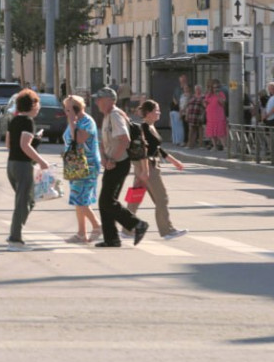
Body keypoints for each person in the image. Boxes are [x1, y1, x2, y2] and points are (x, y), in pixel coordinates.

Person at [93, 88, 149, 248]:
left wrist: (112, 159)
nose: (97, 102)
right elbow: (104, 141)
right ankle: (112, 238)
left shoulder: (115, 115)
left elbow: (124, 139)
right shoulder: (107, 116)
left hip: (119, 162)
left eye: (99, 99)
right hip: (112, 162)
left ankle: (137, 224)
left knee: (107, 200)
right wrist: (104, 157)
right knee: (106, 201)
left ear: (110, 100)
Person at [131, 101, 188, 239]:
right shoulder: (144, 128)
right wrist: (145, 170)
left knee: (134, 199)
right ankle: (167, 230)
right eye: (157, 110)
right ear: (149, 113)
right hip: (148, 166)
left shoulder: (150, 127)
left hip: (143, 166)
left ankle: (126, 230)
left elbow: (157, 149)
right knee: (162, 199)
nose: (159, 113)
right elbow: (144, 150)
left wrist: (174, 161)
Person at [2, 89, 51, 252]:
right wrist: (42, 161)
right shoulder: (28, 121)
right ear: (32, 105)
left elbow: (9, 144)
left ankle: (15, 235)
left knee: (27, 200)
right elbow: (24, 145)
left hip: (11, 164)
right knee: (23, 202)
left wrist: (34, 139)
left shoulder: (14, 120)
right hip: (23, 165)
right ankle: (15, 239)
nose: (39, 107)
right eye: (37, 103)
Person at [62, 95, 103, 244]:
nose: (66, 113)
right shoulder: (75, 121)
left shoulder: (87, 122)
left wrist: (72, 123)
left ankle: (98, 226)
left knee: (80, 199)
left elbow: (78, 139)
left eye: (68, 109)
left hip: (87, 165)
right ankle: (81, 233)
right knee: (77, 198)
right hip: (75, 164)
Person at [204, 80, 228, 150]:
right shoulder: (209, 94)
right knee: (212, 131)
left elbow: (223, 104)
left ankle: (224, 146)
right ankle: (214, 146)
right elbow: (205, 103)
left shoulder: (221, 94)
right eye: (214, 87)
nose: (215, 89)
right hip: (210, 115)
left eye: (217, 87)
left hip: (219, 115)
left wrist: (218, 96)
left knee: (220, 131)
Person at [183, 84, 206, 149]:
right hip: (191, 115)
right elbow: (188, 106)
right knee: (191, 130)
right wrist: (186, 115)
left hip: (199, 115)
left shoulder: (203, 97)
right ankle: (190, 144)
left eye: (199, 89)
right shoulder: (192, 96)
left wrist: (203, 115)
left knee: (200, 130)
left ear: (201, 90)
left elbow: (205, 107)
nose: (197, 90)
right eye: (196, 89)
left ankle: (201, 145)